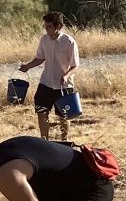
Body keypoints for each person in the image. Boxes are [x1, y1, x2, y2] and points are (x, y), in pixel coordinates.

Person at [18, 11, 80, 142]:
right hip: (45, 83)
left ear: (58, 26)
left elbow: (75, 65)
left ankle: (65, 141)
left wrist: (66, 75)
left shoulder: (69, 42)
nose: (46, 29)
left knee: (64, 116)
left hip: (63, 86)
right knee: (41, 112)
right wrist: (27, 66)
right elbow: (40, 58)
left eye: (49, 26)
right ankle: (44, 141)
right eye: (45, 26)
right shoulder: (44, 40)